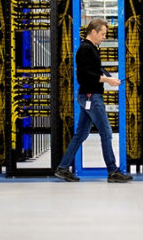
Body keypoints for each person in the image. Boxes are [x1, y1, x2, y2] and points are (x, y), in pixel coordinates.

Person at [54, 18, 133, 183]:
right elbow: (84, 76)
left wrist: (108, 77)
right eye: (103, 34)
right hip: (91, 96)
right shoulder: (85, 49)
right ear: (94, 32)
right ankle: (113, 171)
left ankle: (62, 168)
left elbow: (92, 70)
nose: (104, 37)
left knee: (81, 134)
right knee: (106, 132)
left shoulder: (91, 49)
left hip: (89, 96)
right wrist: (107, 81)